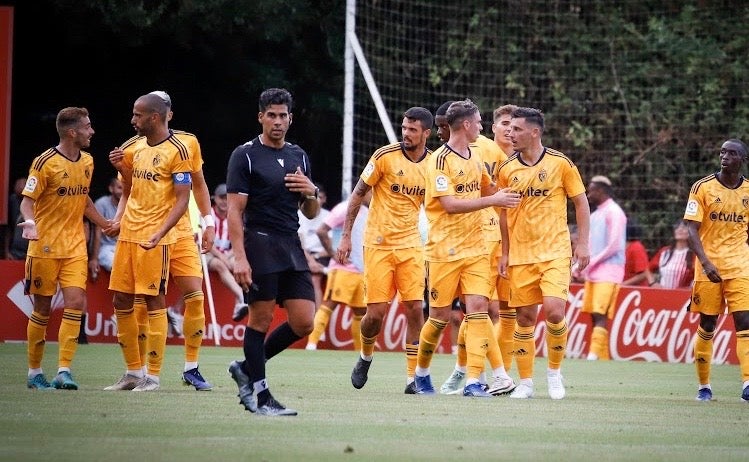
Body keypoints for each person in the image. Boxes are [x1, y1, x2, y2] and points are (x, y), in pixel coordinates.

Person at [412, 99, 520, 397]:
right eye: (480, 121)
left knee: (478, 311)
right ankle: (420, 373)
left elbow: (488, 189)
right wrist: (493, 201)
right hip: (444, 251)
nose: (483, 126)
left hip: (475, 250)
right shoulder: (439, 160)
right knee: (438, 319)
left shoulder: (474, 157)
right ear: (467, 125)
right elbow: (448, 205)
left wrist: (512, 192)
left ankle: (476, 381)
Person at [105, 92, 211, 392]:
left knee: (189, 295)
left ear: (157, 115)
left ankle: (187, 368)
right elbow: (128, 190)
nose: (132, 120)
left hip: (173, 233)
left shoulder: (185, 144)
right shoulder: (129, 148)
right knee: (124, 300)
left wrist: (208, 222)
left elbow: (195, 188)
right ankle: (133, 372)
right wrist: (117, 219)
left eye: (137, 114)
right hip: (132, 234)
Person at [226, 87, 319, 416]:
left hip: (291, 244)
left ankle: (246, 368)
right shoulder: (246, 155)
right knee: (261, 319)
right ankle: (262, 396)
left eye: (283, 116)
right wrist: (239, 257)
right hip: (260, 243)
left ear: (290, 119)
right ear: (261, 117)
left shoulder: (299, 155)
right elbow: (234, 212)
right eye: (272, 115)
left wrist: (313, 193)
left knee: (305, 322)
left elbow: (310, 212)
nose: (278, 121)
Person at [338, 106, 433, 394]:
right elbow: (357, 195)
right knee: (376, 314)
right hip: (378, 244)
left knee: (416, 308)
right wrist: (345, 237)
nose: (406, 133)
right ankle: (366, 356)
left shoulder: (434, 164)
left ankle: (411, 378)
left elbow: (440, 207)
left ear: (426, 133)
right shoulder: (383, 156)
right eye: (404, 128)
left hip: (411, 246)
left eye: (413, 130)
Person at [498, 106, 591, 400]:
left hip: (555, 251)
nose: (510, 134)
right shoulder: (506, 169)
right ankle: (525, 382)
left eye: (517, 129)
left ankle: (554, 373)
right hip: (521, 255)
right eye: (509, 128)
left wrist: (583, 243)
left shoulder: (561, 164)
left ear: (534, 132)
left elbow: (581, 203)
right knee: (525, 318)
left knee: (554, 311)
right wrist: (505, 252)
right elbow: (503, 214)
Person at [20, 106, 110, 389]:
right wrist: (30, 222)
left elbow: (83, 201)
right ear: (73, 132)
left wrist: (106, 224)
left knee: (76, 303)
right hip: (44, 245)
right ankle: (35, 372)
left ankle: (63, 370)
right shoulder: (44, 162)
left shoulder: (88, 161)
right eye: (88, 127)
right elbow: (27, 201)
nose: (91, 131)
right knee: (43, 309)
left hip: (74, 247)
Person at [684, 139, 749, 402]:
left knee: (745, 322)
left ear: (742, 159)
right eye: (722, 152)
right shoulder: (702, 188)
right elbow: (690, 228)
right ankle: (704, 386)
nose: (725, 157)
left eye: (732, 153)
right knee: (708, 324)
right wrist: (706, 262)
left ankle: (747, 384)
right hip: (708, 267)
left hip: (739, 266)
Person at [305, 190, 371, 351]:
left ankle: (359, 351)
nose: (373, 197)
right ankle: (311, 345)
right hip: (343, 269)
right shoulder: (344, 208)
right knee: (329, 305)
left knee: (361, 313)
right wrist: (333, 254)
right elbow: (322, 230)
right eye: (372, 193)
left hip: (361, 269)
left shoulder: (367, 211)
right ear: (364, 191)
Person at [576, 175, 626, 361]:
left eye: (591, 190)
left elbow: (615, 245)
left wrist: (591, 262)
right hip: (593, 273)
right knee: (593, 315)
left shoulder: (614, 212)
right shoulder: (595, 215)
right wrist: (579, 266)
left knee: (600, 314)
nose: (588, 194)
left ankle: (593, 356)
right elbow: (587, 245)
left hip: (609, 272)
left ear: (602, 191)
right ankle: (602, 359)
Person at [200, 183, 249, 322]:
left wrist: (229, 255)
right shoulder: (207, 214)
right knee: (219, 264)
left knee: (240, 266)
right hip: (207, 252)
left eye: (227, 198)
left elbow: (240, 238)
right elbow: (203, 239)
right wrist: (222, 256)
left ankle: (242, 303)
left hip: (228, 254)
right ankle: (241, 297)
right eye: (221, 198)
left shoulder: (235, 215)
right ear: (214, 198)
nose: (224, 202)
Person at [298, 182, 330, 310]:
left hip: (322, 255)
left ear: (324, 199)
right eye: (315, 196)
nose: (318, 200)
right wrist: (310, 261)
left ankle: (317, 326)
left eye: (320, 197)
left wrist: (315, 257)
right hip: (303, 255)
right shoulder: (299, 215)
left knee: (315, 279)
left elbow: (333, 247)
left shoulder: (329, 216)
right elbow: (299, 243)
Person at [649, 219, 694, 289]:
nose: (680, 229)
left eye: (684, 227)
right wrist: (652, 283)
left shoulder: (695, 255)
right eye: (677, 227)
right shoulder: (664, 252)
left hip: (683, 297)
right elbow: (648, 269)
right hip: (662, 295)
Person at [92, 177, 123, 272]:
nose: (122, 191)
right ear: (111, 188)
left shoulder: (131, 204)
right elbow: (97, 233)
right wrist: (94, 258)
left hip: (124, 247)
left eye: (125, 188)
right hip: (106, 247)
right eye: (119, 187)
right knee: (118, 267)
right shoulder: (102, 203)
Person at [622, 219, 652, 286]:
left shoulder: (636, 247)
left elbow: (644, 274)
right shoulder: (620, 247)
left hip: (636, 292)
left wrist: (623, 284)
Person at [6, 177, 29, 260]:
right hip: (14, 252)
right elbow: (7, 228)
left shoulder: (36, 202)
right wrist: (6, 252)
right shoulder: (13, 200)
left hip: (29, 252)